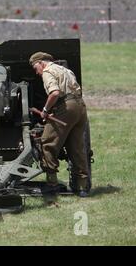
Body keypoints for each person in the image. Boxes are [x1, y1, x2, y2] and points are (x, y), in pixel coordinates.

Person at [29, 52, 90, 197]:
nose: (36, 72)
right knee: (76, 147)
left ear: (41, 63)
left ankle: (52, 185)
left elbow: (55, 93)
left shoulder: (47, 71)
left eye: (35, 67)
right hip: (80, 107)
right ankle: (81, 187)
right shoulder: (65, 70)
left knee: (47, 143)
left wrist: (45, 110)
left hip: (66, 107)